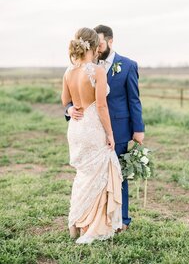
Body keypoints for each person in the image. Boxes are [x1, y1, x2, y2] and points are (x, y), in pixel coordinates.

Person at [65, 25, 145, 231]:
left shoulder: (127, 65)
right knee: (98, 174)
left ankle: (121, 220)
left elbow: (134, 100)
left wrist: (138, 129)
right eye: (96, 45)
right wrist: (70, 108)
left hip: (115, 126)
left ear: (110, 41)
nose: (99, 49)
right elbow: (90, 103)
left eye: (101, 44)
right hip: (95, 129)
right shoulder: (93, 68)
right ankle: (99, 221)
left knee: (117, 175)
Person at [61, 27, 123, 244]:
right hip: (93, 127)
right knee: (98, 175)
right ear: (96, 46)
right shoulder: (96, 71)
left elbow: (65, 101)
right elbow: (102, 106)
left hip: (76, 128)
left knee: (83, 175)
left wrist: (70, 109)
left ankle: (74, 222)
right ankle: (91, 226)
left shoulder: (68, 71)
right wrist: (110, 133)